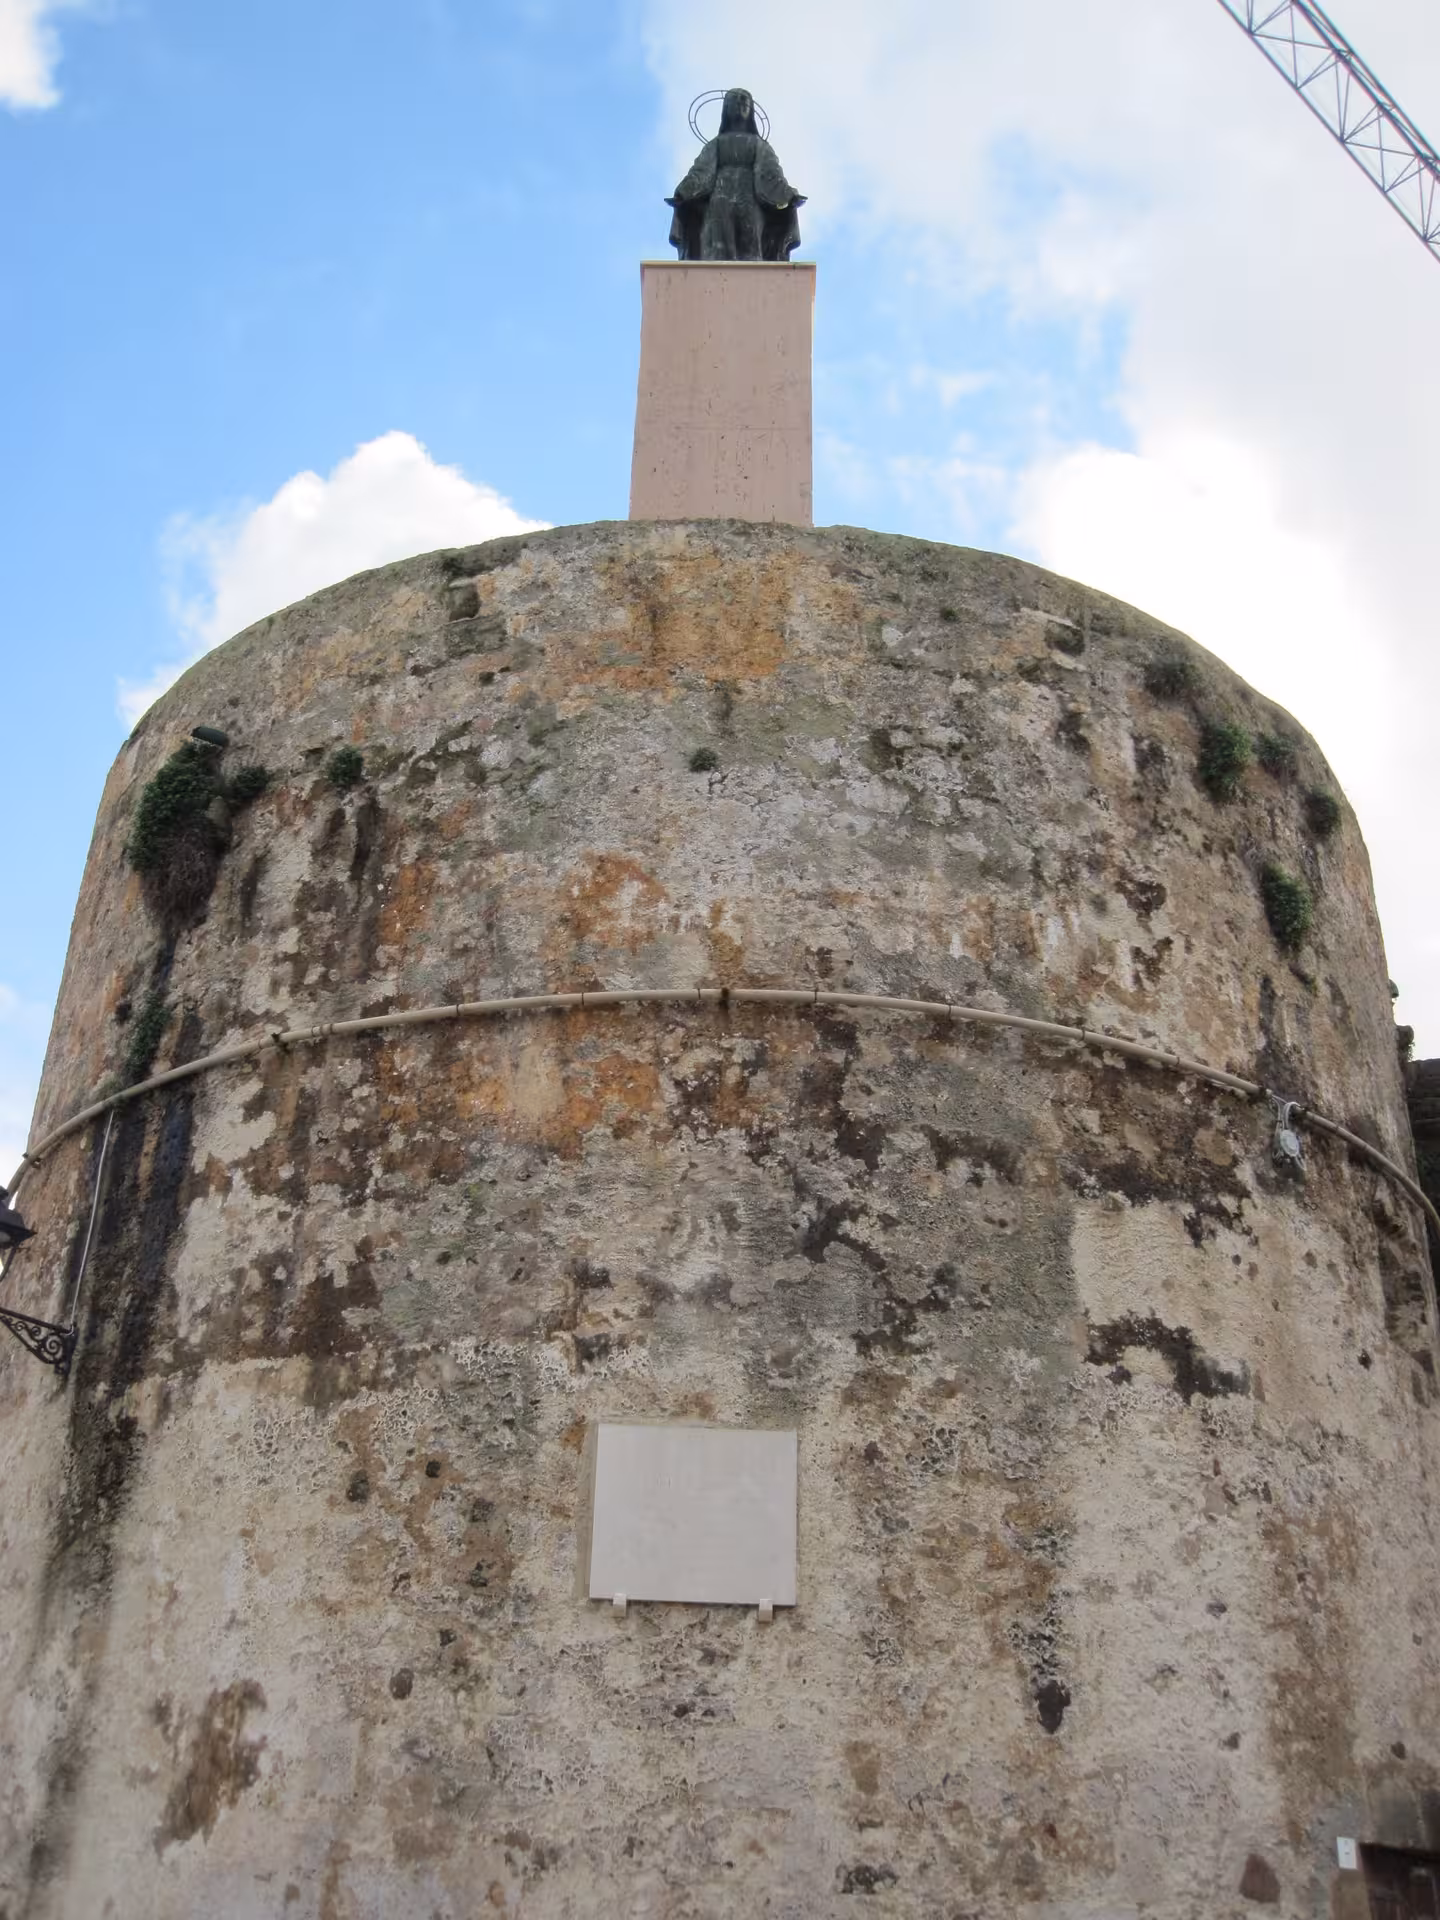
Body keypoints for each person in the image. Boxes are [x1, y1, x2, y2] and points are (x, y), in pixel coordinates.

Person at [667, 89, 805, 262]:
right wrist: (684, 191)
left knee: (751, 243)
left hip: (750, 198)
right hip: (720, 198)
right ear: (726, 109)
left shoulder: (760, 146)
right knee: (718, 245)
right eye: (735, 101)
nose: (740, 103)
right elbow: (701, 172)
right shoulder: (715, 144)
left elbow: (770, 174)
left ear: (751, 110)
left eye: (744, 101)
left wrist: (788, 194)